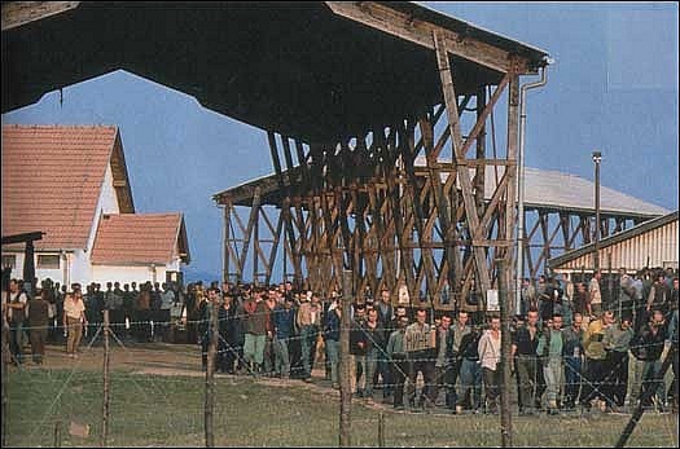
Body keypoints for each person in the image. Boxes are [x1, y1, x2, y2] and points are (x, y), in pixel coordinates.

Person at [630, 309, 668, 411]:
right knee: (639, 381)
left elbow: (663, 342)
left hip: (656, 359)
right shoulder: (643, 329)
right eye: (658, 316)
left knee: (660, 380)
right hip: (644, 359)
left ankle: (661, 402)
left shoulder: (662, 329)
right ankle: (632, 403)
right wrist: (638, 354)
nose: (660, 319)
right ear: (652, 318)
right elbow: (633, 343)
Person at [580, 310, 614, 412]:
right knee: (590, 379)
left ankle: (601, 401)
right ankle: (586, 401)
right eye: (606, 318)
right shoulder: (594, 325)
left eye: (610, 318)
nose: (608, 320)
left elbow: (612, 341)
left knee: (602, 380)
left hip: (603, 357)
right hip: (592, 356)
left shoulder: (611, 328)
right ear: (602, 317)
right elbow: (585, 339)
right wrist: (586, 351)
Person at [512, 308, 541, 414]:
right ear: (527, 318)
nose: (532, 319)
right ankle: (525, 406)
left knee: (532, 382)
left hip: (533, 358)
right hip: (521, 358)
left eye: (534, 317)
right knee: (524, 382)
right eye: (530, 317)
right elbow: (514, 345)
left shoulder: (539, 330)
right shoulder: (520, 330)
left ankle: (528, 403)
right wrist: (511, 360)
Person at [603, 315, 634, 410]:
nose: (625, 327)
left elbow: (632, 343)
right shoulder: (611, 329)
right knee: (611, 378)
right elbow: (604, 342)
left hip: (624, 355)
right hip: (613, 354)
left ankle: (620, 401)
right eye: (623, 325)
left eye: (627, 326)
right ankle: (609, 401)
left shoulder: (630, 332)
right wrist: (610, 347)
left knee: (623, 378)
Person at [536, 313, 564, 414]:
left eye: (559, 322)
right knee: (551, 383)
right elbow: (539, 350)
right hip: (548, 362)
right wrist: (544, 359)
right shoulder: (547, 334)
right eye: (555, 322)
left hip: (559, 361)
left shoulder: (562, 334)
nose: (557, 324)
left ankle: (551, 403)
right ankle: (552, 406)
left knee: (557, 384)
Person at [297, 292, 322, 382]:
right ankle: (306, 373)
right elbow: (298, 319)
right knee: (305, 351)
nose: (315, 302)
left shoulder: (319, 307)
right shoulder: (303, 306)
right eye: (313, 300)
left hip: (314, 328)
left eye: (317, 300)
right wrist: (302, 329)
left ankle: (309, 371)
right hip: (305, 328)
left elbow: (319, 320)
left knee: (312, 351)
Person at [478, 316, 502, 414]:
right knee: (489, 385)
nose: (495, 325)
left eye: (497, 323)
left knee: (498, 385)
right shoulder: (486, 336)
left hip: (499, 362)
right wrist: (482, 360)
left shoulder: (502, 335)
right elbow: (481, 349)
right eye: (494, 323)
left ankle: (486, 400)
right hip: (488, 363)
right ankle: (492, 407)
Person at [243, 289, 269, 374]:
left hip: (261, 330)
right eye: (254, 293)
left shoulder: (264, 304)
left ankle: (256, 367)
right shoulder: (247, 302)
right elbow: (248, 311)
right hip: (250, 329)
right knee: (248, 350)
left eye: (257, 293)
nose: (256, 295)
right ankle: (247, 366)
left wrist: (268, 329)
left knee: (259, 351)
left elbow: (267, 317)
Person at [562, 312, 584, 410]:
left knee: (577, 380)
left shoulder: (582, 333)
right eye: (577, 322)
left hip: (578, 358)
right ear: (573, 321)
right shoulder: (566, 332)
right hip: (569, 357)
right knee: (569, 380)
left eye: (580, 322)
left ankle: (574, 399)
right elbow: (563, 345)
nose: (578, 324)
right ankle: (568, 400)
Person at [387, 314, 410, 409]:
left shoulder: (410, 335)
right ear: (399, 322)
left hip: (406, 359)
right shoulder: (394, 335)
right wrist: (391, 361)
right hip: (396, 358)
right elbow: (389, 349)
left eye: (406, 322)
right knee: (397, 381)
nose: (404, 324)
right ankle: (397, 403)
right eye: (403, 322)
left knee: (402, 381)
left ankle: (401, 402)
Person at [433, 314, 456, 410]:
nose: (446, 323)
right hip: (437, 360)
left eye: (448, 321)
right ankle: (430, 401)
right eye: (444, 321)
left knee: (449, 383)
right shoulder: (435, 331)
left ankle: (450, 403)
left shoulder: (451, 332)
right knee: (435, 382)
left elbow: (451, 346)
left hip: (447, 360)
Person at [6, 279, 29, 365]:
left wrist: (10, 305)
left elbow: (21, 305)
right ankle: (13, 359)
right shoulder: (8, 295)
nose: (11, 287)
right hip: (10, 320)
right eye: (10, 286)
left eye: (12, 285)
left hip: (19, 321)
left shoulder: (22, 294)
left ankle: (21, 359)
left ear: (16, 285)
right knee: (11, 341)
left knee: (18, 340)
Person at [273, 296, 296, 379]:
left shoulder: (292, 311)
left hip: (288, 335)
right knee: (283, 354)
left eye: (291, 303)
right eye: (288, 303)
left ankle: (279, 371)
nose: (289, 305)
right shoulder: (279, 310)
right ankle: (285, 372)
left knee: (281, 354)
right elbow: (275, 321)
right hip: (279, 334)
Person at [63, 285, 87, 358]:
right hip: (71, 318)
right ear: (75, 293)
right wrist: (64, 320)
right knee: (72, 335)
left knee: (79, 335)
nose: (80, 294)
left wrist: (85, 320)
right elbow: (65, 311)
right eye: (79, 293)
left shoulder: (80, 301)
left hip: (78, 319)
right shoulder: (68, 300)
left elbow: (82, 311)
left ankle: (75, 349)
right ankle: (69, 350)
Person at [28, 289, 50, 364]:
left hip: (33, 325)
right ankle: (41, 359)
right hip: (43, 325)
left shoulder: (30, 303)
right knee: (42, 342)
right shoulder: (46, 303)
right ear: (42, 294)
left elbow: (26, 314)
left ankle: (35, 359)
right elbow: (51, 314)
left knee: (34, 343)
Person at [323, 299, 341, 388]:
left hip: (341, 339)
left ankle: (339, 379)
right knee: (334, 360)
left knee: (340, 361)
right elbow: (326, 325)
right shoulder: (331, 313)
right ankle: (335, 381)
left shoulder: (347, 314)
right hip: (331, 338)